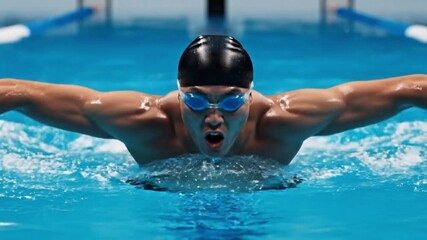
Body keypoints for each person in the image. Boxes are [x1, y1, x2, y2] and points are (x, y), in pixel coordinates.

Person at [0, 35, 426, 166]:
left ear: (252, 93)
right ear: (179, 94)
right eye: (199, 103)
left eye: (232, 102)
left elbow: (406, 90)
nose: (214, 118)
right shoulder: (142, 121)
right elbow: (21, 94)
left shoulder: (286, 120)